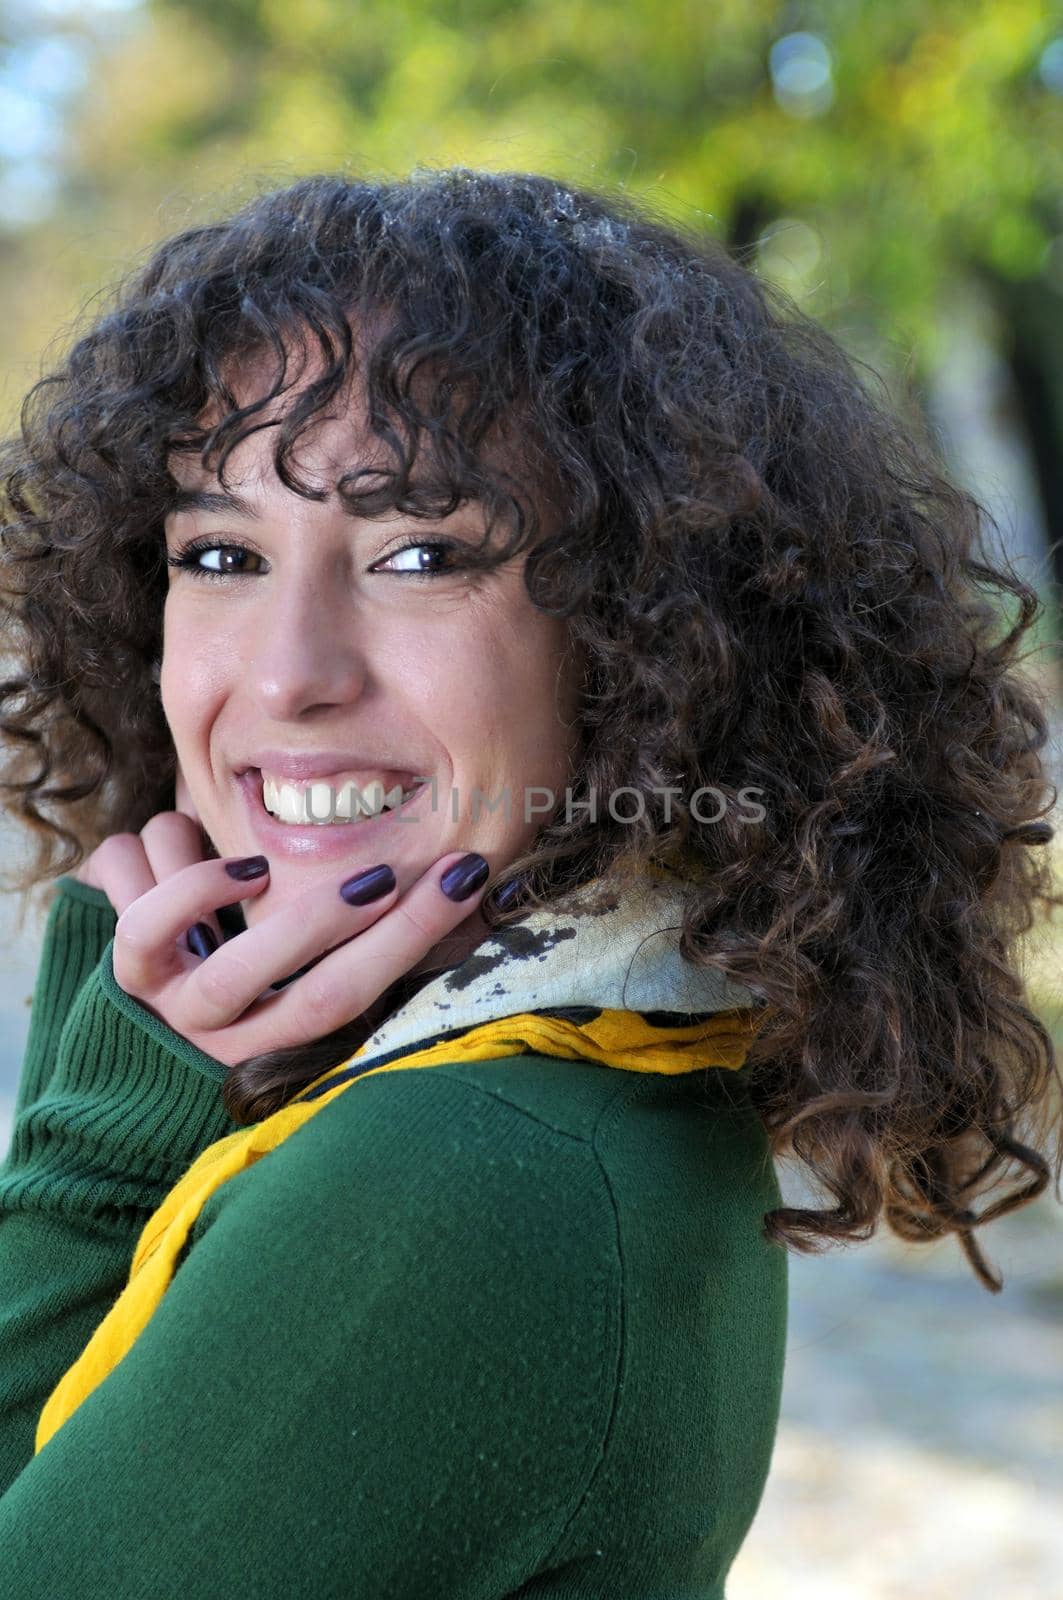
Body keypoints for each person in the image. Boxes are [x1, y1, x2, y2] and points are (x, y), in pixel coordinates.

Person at [0, 168, 1057, 1597]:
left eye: (419, 552)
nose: (289, 673)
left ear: (649, 637)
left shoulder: (460, 1175)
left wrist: (95, 1155)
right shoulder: (609, 1071)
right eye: (221, 553)